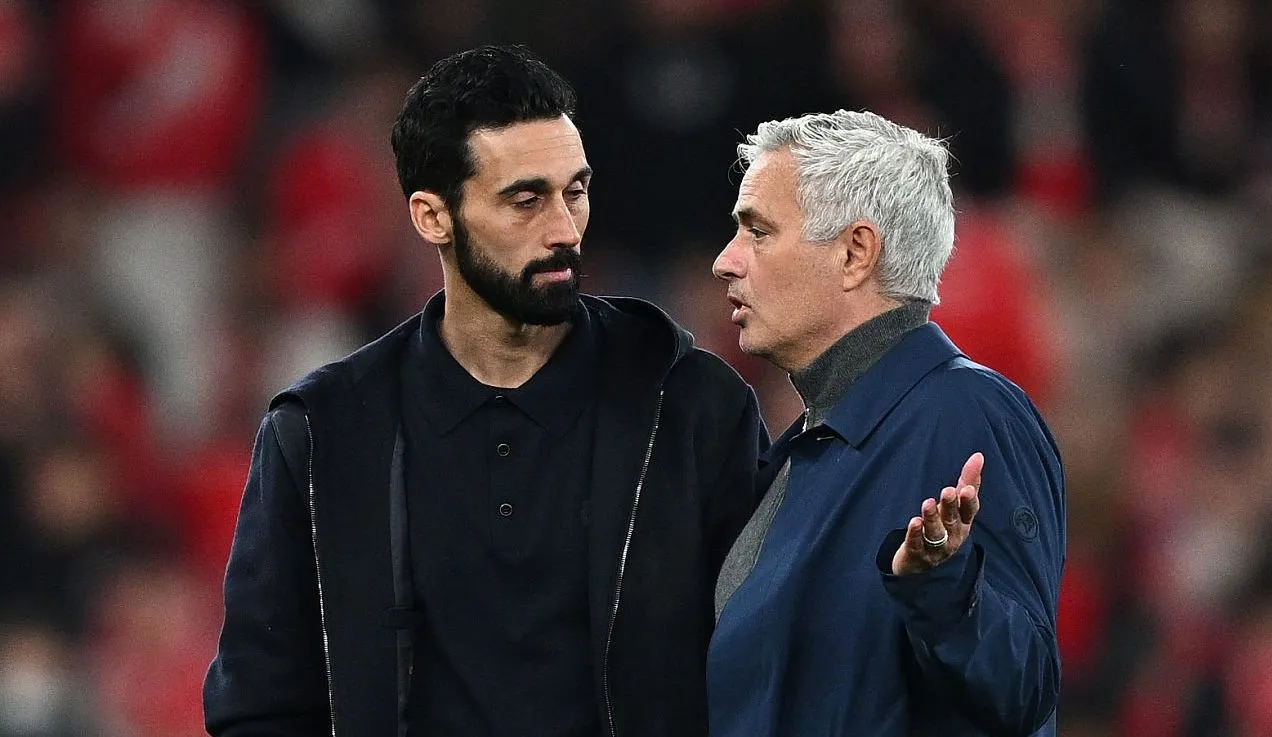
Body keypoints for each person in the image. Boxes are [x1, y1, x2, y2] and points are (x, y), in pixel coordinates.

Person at [203, 45, 765, 737]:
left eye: (575, 191)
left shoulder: (689, 407)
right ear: (432, 217)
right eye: (525, 200)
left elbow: (762, 669)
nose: (562, 230)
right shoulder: (323, 433)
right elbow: (259, 700)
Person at [707, 109, 1065, 736]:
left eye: (757, 232)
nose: (726, 261)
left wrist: (944, 590)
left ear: (855, 253)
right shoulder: (801, 451)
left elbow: (1023, 691)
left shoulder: (966, 411)